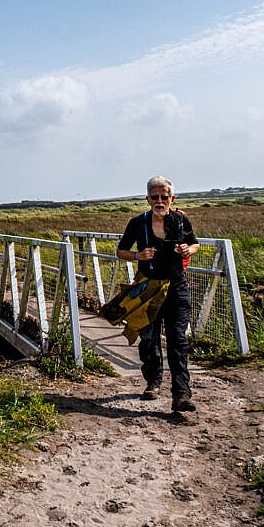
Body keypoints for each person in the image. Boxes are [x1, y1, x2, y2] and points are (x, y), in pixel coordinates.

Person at [116, 176, 200, 412]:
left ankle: (181, 394)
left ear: (172, 198)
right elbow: (120, 250)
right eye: (155, 197)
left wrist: (187, 250)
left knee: (178, 339)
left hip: (176, 286)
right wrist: (137, 256)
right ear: (148, 199)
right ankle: (153, 381)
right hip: (148, 289)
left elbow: (195, 244)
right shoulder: (137, 223)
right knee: (150, 339)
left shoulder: (181, 220)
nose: (160, 200)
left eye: (165, 196)